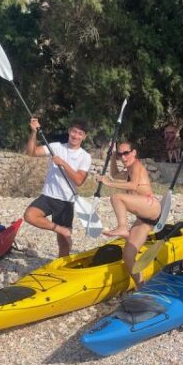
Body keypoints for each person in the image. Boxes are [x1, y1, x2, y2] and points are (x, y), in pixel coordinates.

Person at [96, 140, 161, 288]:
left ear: (134, 153)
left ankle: (122, 227)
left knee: (116, 197)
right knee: (128, 255)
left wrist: (109, 183)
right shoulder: (127, 171)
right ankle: (141, 286)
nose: (123, 157)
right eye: (120, 154)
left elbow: (133, 185)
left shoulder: (137, 166)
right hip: (144, 219)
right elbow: (114, 174)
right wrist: (112, 156)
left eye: (126, 153)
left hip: (151, 206)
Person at [24, 117, 91, 257]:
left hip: (66, 201)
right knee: (30, 215)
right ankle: (59, 229)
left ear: (84, 137)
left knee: (64, 245)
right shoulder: (55, 147)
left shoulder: (85, 157)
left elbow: (79, 180)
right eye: (74, 131)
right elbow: (31, 153)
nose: (75, 136)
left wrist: (63, 164)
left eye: (80, 133)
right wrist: (34, 132)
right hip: (48, 196)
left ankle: (63, 267)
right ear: (69, 131)